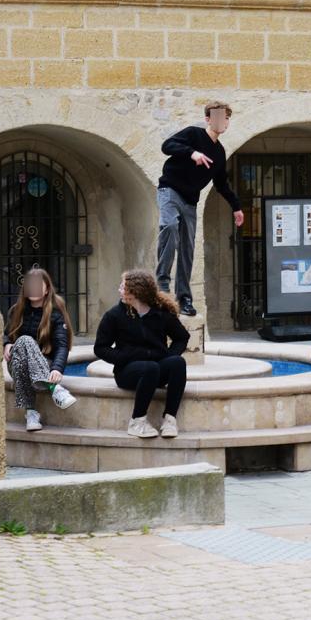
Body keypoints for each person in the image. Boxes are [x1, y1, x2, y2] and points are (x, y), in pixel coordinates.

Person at [157, 101, 246, 317]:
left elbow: (222, 184)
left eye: (225, 118)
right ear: (208, 119)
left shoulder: (219, 152)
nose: (222, 122)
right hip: (170, 190)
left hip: (189, 200)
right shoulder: (192, 135)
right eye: (217, 117)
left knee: (187, 247)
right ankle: (162, 285)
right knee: (168, 226)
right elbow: (166, 146)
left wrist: (236, 208)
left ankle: (184, 297)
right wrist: (191, 153)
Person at [94, 270, 190, 438]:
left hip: (156, 369)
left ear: (137, 291)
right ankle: (137, 421)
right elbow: (100, 348)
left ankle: (169, 419)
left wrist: (168, 355)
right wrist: (123, 356)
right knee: (150, 368)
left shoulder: (161, 313)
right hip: (127, 372)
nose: (119, 290)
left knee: (177, 363)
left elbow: (182, 338)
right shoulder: (114, 315)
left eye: (123, 287)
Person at [4, 268, 77, 432]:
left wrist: (57, 368)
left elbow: (62, 344)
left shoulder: (56, 312)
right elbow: (6, 333)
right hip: (17, 363)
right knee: (24, 341)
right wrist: (6, 343)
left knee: (25, 341)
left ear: (47, 289)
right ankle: (54, 390)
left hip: (46, 361)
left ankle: (31, 413)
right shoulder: (17, 310)